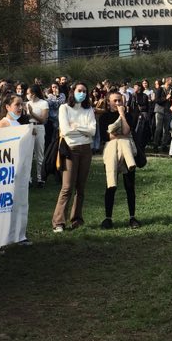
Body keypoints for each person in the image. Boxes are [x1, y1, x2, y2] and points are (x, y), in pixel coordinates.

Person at [53, 82, 96, 232]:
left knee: (81, 187)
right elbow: (65, 130)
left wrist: (76, 127)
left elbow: (93, 131)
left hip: (86, 150)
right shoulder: (64, 108)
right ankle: (59, 222)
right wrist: (83, 130)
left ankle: (77, 219)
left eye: (85, 91)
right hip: (70, 149)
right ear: (73, 91)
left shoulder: (88, 109)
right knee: (67, 187)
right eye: (79, 90)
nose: (82, 93)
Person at [99, 91, 140, 229]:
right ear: (108, 102)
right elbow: (108, 136)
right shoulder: (104, 117)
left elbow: (127, 131)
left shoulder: (128, 115)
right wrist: (118, 133)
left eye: (120, 101)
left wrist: (122, 115)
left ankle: (132, 217)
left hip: (127, 152)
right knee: (111, 186)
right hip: (111, 152)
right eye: (115, 101)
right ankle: (108, 218)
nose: (118, 103)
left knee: (130, 186)